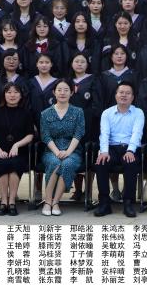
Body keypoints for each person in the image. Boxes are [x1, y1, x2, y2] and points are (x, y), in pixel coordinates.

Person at [93, 81, 145, 218]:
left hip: (130, 147)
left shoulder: (138, 113)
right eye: (121, 92)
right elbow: (104, 134)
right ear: (116, 95)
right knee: (101, 163)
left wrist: (130, 150)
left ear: (132, 97)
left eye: (128, 93)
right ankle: (104, 203)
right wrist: (104, 152)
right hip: (112, 148)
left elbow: (137, 133)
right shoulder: (107, 113)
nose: (124, 95)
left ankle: (128, 203)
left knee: (130, 163)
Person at [0, 83, 35, 216]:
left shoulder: (26, 113)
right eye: (9, 92)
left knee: (14, 163)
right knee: (1, 163)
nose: (12, 95)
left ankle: (12, 201)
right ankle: (3, 201)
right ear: (4, 95)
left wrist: (17, 145)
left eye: (16, 92)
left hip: (18, 151)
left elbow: (30, 135)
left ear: (21, 95)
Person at [40, 78, 85, 216]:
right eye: (59, 90)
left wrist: (68, 152)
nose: (62, 93)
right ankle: (48, 201)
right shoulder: (45, 113)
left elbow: (78, 133)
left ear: (72, 93)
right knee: (55, 163)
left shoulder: (78, 112)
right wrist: (57, 152)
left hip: (73, 151)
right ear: (54, 92)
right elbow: (45, 136)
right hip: (51, 151)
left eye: (66, 90)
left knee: (67, 163)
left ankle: (55, 202)